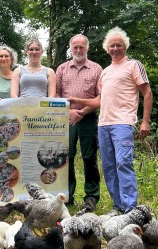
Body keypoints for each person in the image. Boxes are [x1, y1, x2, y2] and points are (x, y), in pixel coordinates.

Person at [68, 27, 153, 214]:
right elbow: (99, 100)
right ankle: (118, 206)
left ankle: (130, 208)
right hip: (103, 124)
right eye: (112, 45)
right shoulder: (105, 72)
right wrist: (77, 101)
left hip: (123, 123)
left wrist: (145, 121)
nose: (115, 48)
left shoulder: (134, 65)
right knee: (108, 166)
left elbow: (147, 93)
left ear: (125, 47)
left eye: (119, 45)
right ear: (107, 48)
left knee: (123, 162)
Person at [56, 34, 102, 212]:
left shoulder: (97, 69)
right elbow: (57, 94)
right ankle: (67, 195)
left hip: (87, 118)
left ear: (87, 48)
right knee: (66, 157)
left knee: (89, 157)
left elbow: (100, 97)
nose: (78, 50)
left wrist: (81, 112)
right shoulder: (62, 68)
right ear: (70, 48)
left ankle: (91, 196)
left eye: (81, 47)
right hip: (65, 118)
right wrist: (69, 112)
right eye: (75, 47)